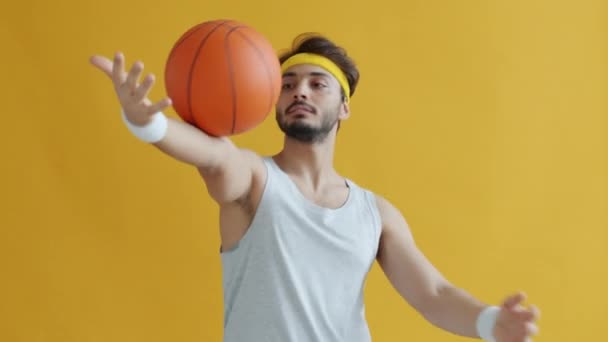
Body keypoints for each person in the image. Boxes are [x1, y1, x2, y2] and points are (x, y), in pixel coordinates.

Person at [90, 33, 540, 342]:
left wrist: (489, 322)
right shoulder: (253, 180)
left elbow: (433, 294)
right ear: (274, 103)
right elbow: (212, 154)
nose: (299, 92)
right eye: (286, 84)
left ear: (343, 108)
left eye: (316, 83)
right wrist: (146, 123)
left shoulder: (375, 213)